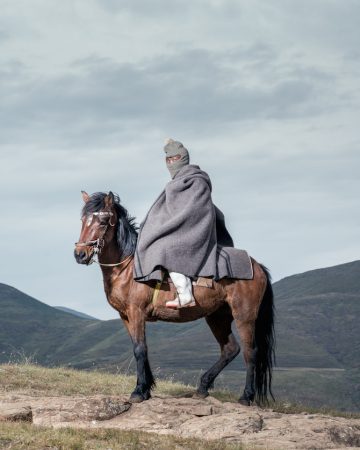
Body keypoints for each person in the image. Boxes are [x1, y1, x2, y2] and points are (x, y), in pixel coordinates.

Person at [133, 139, 235, 309]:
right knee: (152, 241)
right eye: (168, 160)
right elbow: (168, 210)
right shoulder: (174, 184)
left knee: (166, 249)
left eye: (175, 158)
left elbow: (196, 211)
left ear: (184, 158)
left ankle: (185, 294)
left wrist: (176, 225)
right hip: (180, 229)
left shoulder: (197, 181)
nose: (172, 162)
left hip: (195, 231)